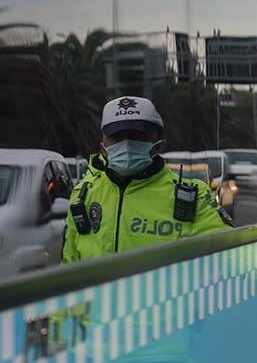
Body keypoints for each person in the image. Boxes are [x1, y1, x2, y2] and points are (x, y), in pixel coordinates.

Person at [61, 96, 233, 263]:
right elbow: (68, 266)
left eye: (137, 136)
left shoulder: (194, 198)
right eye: (117, 136)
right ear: (103, 147)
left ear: (159, 145)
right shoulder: (83, 195)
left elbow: (228, 259)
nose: (127, 144)